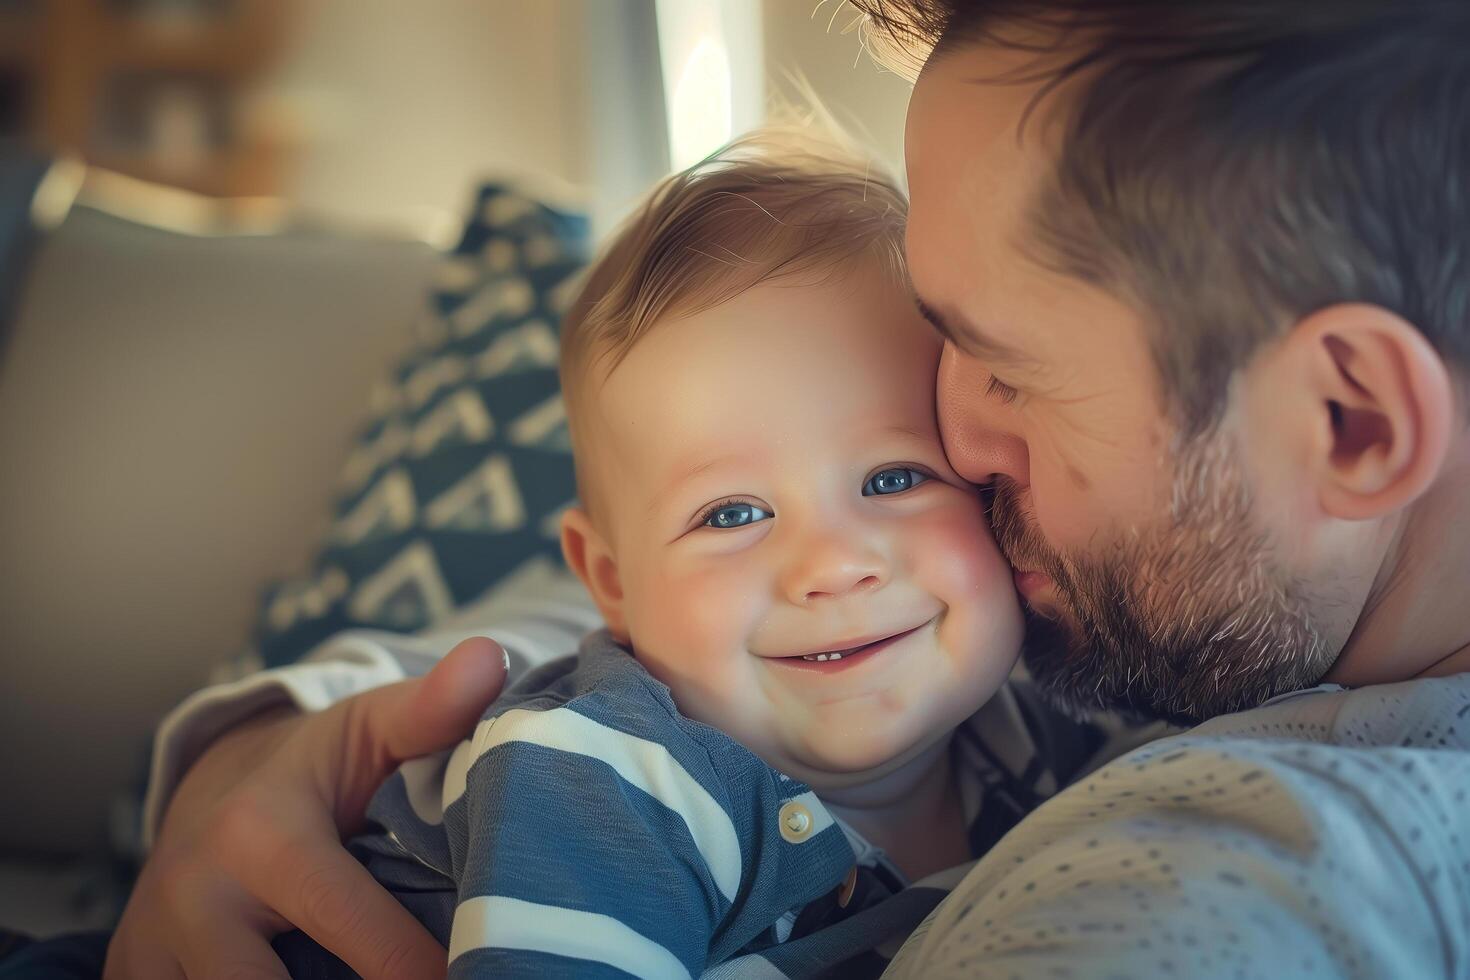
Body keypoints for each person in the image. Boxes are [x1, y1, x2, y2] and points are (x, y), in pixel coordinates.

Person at [107, 1, 1470, 977]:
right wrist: (271, 753)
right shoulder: (1144, 622)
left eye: (1003, 368)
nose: (957, 442)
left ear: (1348, 419)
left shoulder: (1250, 883)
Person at [270, 130, 1113, 979]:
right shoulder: (596, 774)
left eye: (895, 478)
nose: (828, 565)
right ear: (611, 580)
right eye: (732, 513)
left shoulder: (1038, 731)